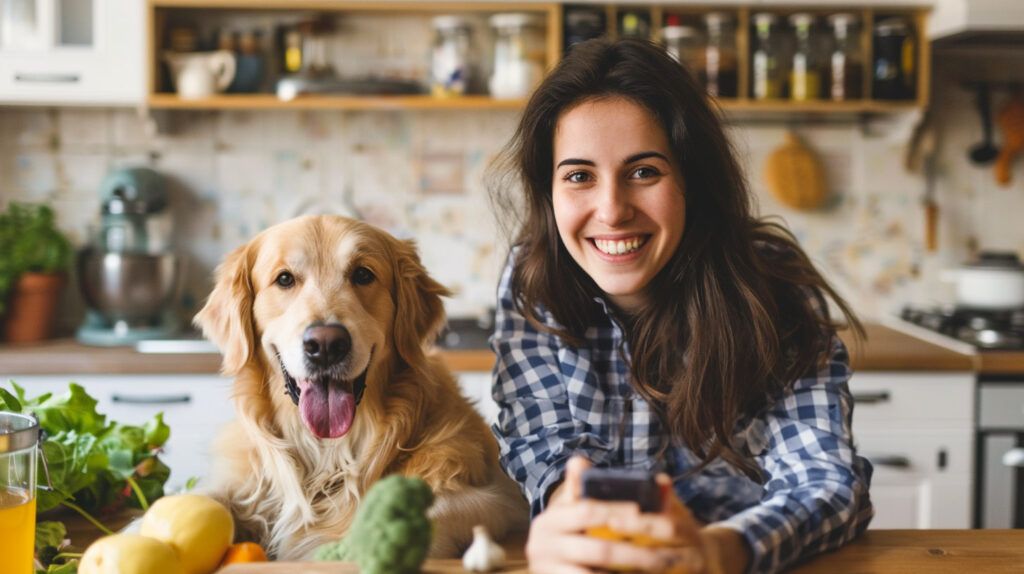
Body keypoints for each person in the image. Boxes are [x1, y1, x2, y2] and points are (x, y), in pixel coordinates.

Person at [487, 38, 874, 574]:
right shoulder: (533, 280)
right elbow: (545, 448)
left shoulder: (773, 288)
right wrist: (575, 525)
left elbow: (824, 480)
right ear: (548, 192)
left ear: (690, 178)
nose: (612, 210)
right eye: (579, 176)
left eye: (644, 171)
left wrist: (716, 552)